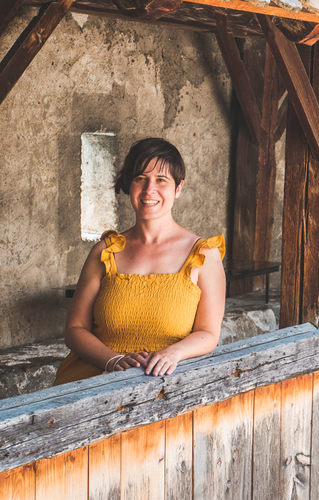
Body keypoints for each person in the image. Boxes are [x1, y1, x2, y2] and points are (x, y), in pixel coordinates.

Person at [53, 138, 226, 385]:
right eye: (140, 178)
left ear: (178, 188)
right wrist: (113, 360)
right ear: (129, 184)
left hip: (165, 385)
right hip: (92, 381)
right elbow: (74, 329)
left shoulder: (204, 255)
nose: (149, 190)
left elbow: (208, 333)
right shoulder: (106, 251)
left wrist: (173, 353)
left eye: (161, 180)